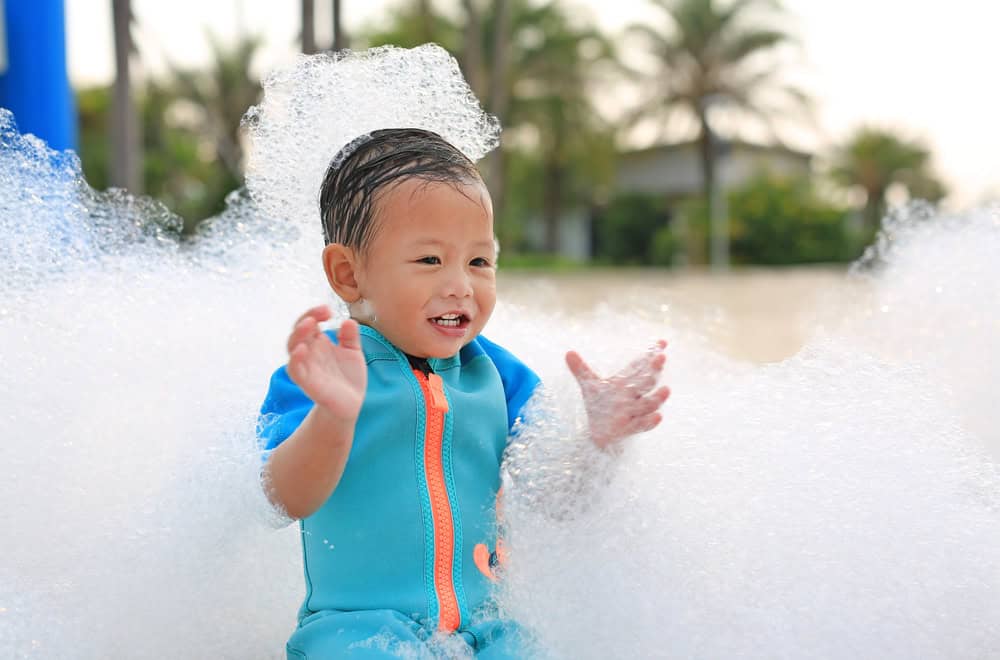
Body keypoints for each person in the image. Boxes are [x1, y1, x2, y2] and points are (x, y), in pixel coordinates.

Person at [257, 126, 669, 658]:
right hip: (359, 627)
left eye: (479, 261)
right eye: (430, 260)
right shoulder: (325, 371)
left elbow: (552, 498)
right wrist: (334, 419)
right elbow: (283, 499)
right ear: (348, 273)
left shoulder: (499, 376)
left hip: (486, 626)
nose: (461, 285)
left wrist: (598, 444)